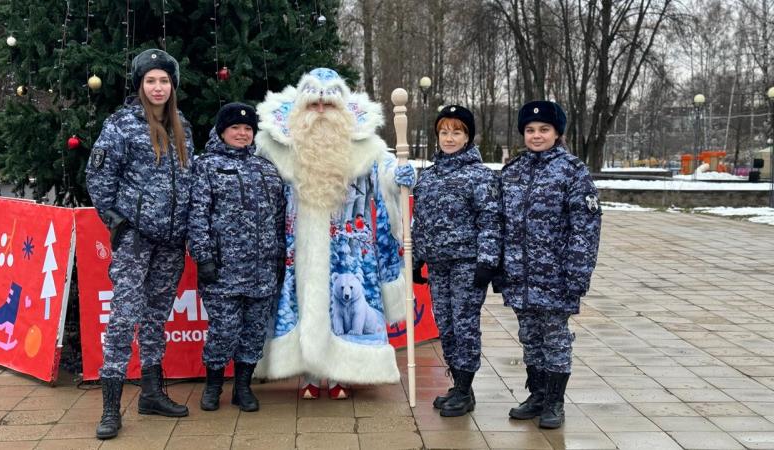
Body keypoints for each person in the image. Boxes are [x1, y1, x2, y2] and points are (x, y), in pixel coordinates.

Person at [253, 68, 415, 399]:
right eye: (314, 105)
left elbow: (383, 170)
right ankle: (310, 375)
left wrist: (398, 173)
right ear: (301, 107)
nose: (322, 112)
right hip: (295, 244)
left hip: (348, 246)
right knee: (301, 304)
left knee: (343, 308)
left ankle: (341, 372)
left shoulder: (365, 145)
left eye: (329, 106)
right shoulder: (275, 146)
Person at [86, 48, 193, 440]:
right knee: (123, 317)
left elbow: (188, 180)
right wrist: (118, 223)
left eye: (164, 80)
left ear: (172, 85)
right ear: (140, 85)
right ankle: (111, 407)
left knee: (156, 316)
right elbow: (98, 178)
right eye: (151, 80)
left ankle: (151, 392)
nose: (158, 87)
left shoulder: (183, 125)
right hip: (135, 239)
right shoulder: (121, 125)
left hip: (170, 241)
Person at [497, 100, 601, 429]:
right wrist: (500, 266)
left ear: (557, 133)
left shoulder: (573, 171)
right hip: (520, 275)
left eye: (544, 130)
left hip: (556, 276)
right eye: (530, 130)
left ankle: (555, 401)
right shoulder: (512, 172)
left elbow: (586, 228)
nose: (537, 135)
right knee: (529, 337)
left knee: (555, 337)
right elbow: (499, 222)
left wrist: (577, 274)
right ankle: (538, 394)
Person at [188, 103, 285, 412]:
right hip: (223, 270)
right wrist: (203, 258)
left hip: (262, 269)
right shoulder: (206, 166)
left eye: (247, 129)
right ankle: (213, 385)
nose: (242, 133)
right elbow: (197, 215)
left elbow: (279, 218)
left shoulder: (266, 169)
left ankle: (242, 387)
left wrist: (279, 259)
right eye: (235, 128)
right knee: (224, 330)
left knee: (255, 331)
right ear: (222, 132)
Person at [411, 105, 501, 417]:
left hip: (467, 264)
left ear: (468, 136)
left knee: (465, 326)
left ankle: (465, 388)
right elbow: (419, 221)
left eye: (457, 132)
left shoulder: (481, 177)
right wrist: (416, 258)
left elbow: (491, 221)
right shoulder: (429, 176)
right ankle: (459, 384)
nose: (450, 138)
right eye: (444, 132)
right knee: (446, 326)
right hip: (438, 264)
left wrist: (487, 262)